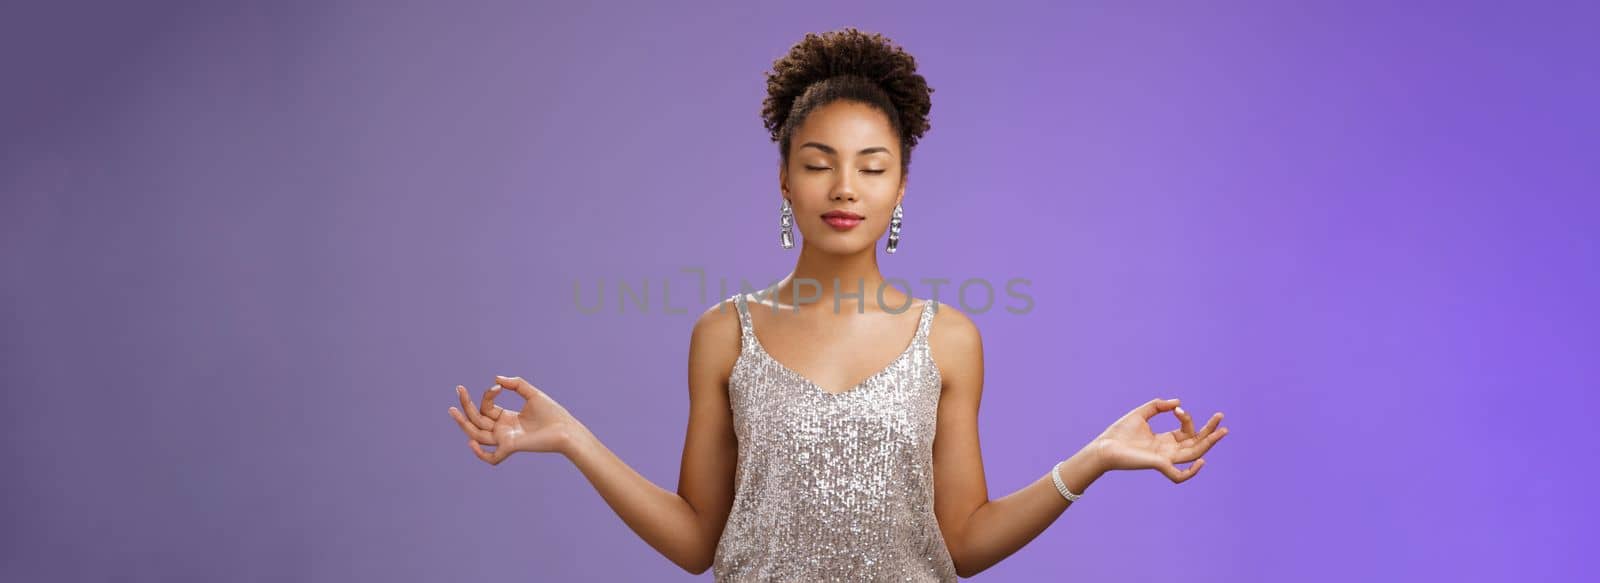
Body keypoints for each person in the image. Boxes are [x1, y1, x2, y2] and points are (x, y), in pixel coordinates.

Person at [446, 27, 1230, 581]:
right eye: (819, 164)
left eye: (872, 166)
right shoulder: (726, 333)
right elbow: (696, 542)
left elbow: (958, 543)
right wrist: (574, 438)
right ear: (785, 181)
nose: (846, 188)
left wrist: (1089, 460)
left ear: (902, 187)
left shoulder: (948, 338)